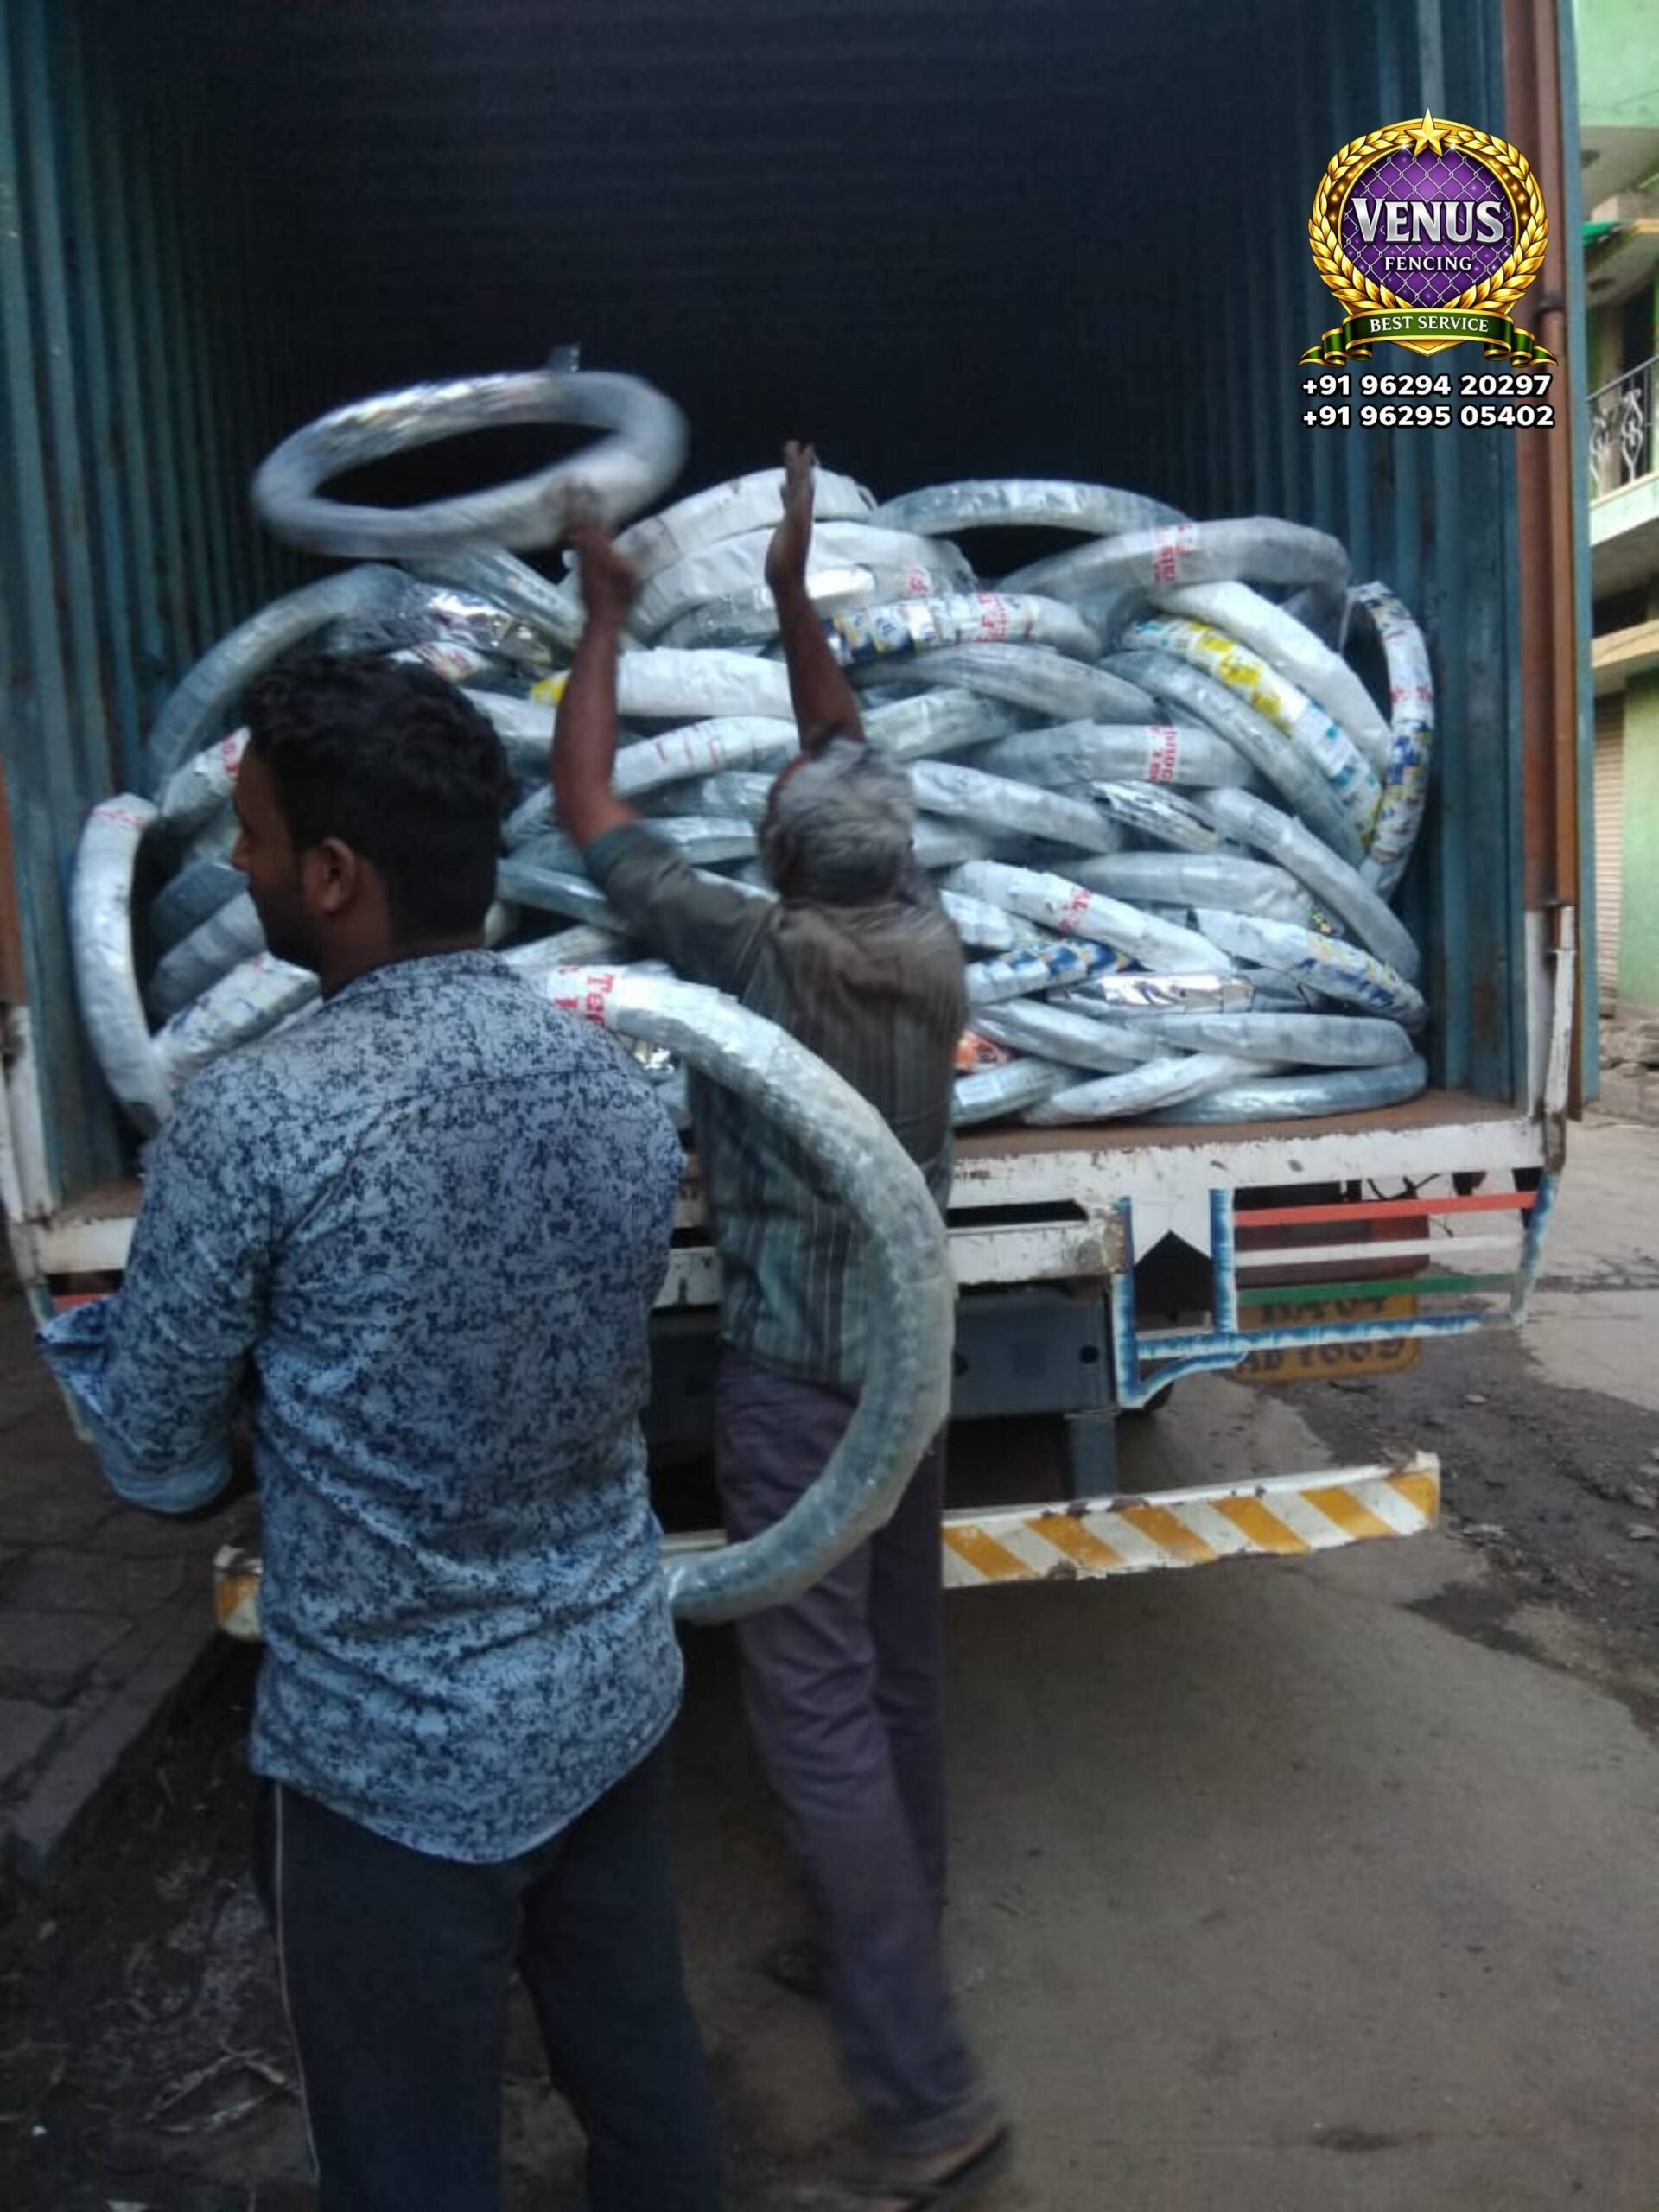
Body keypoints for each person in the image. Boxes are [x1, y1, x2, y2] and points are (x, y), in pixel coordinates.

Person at [39, 656, 723, 2212]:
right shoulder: (618, 1089)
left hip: (389, 1769)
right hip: (610, 1696)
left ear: (335, 879)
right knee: (648, 2095)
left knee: (411, 2167)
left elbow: (152, 1467)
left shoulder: (255, 1120)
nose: (239, 868)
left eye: (260, 840)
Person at [553, 448, 1007, 2209]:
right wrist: (797, 593)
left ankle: (922, 2081)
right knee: (897, 1672)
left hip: (799, 1384)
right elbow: (842, 743)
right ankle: (884, 1942)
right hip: (917, 1360)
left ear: (778, 854)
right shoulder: (934, 935)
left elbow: (593, 807)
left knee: (811, 1712)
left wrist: (601, 616)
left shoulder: (753, 956)